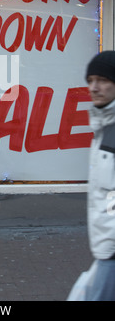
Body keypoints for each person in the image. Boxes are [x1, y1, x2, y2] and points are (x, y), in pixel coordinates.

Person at [69, 51, 115, 301]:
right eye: (90, 80)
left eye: (103, 80)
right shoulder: (104, 128)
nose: (94, 88)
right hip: (105, 250)